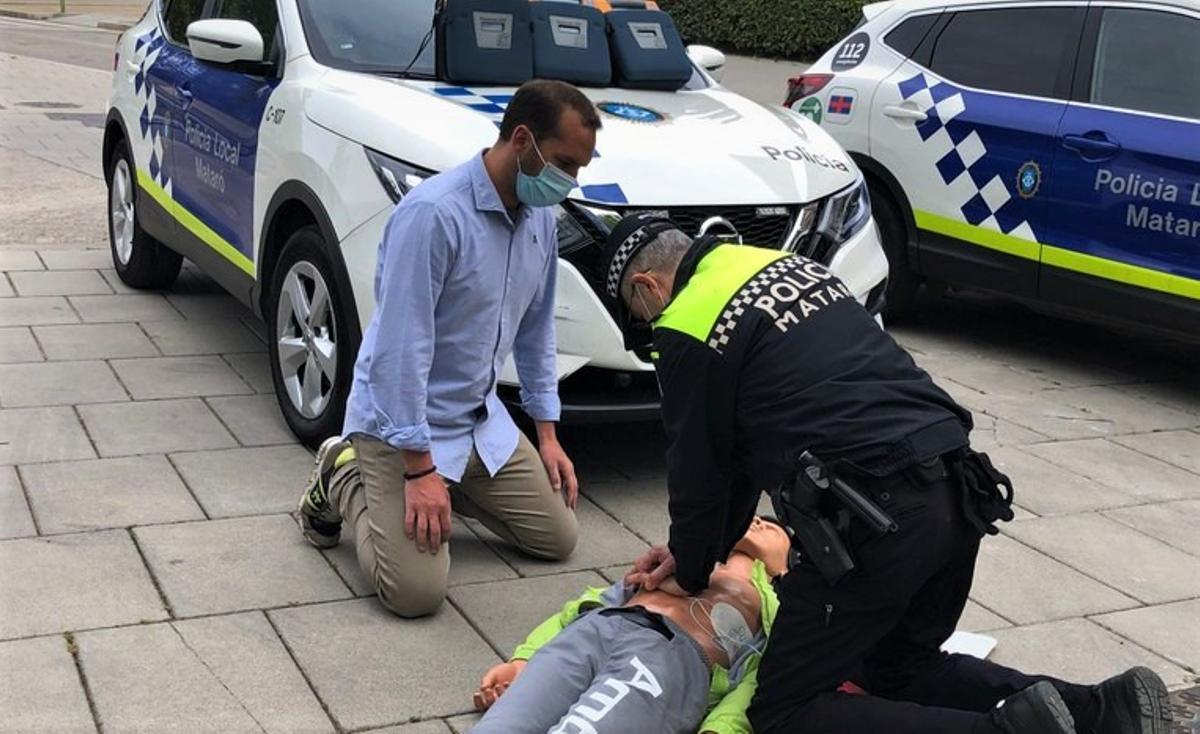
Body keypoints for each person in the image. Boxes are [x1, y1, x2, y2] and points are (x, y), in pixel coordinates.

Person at [602, 214, 1173, 734]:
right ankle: (1103, 710)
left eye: (638, 315)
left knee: (785, 711)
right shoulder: (777, 264)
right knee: (898, 668)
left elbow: (700, 470)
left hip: (876, 514)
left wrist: (693, 569)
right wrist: (694, 551)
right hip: (958, 487)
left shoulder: (687, 321)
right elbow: (737, 464)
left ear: (648, 287)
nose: (648, 326)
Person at [296, 80, 602, 618]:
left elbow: (536, 331)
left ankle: (446, 487)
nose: (570, 182)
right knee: (415, 594)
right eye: (563, 163)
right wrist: (418, 470)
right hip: (401, 425)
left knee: (558, 538)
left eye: (578, 168)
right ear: (522, 139)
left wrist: (548, 434)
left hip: (478, 420)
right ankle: (342, 474)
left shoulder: (539, 222)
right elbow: (399, 349)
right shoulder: (434, 214)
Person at [471, 516, 791, 734]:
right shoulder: (680, 558)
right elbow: (585, 605)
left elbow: (760, 680)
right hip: (595, 630)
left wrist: (722, 728)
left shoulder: (775, 604)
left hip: (665, 655)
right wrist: (525, 657)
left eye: (775, 529)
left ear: (786, 566)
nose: (759, 521)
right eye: (754, 516)